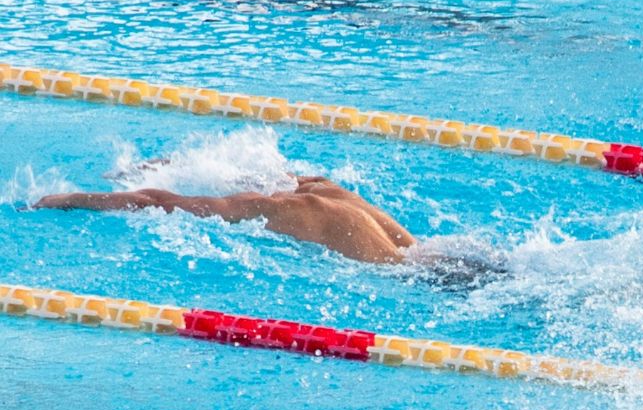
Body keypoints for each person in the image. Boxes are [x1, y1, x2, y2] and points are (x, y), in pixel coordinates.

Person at [34, 175, 416, 263]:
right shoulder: (327, 190)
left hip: (415, 284)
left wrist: (72, 198)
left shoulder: (279, 209)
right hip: (441, 261)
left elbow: (160, 203)